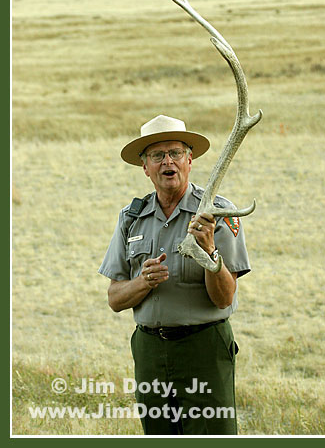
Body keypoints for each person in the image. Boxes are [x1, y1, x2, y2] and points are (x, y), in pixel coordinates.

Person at [98, 114, 251, 435]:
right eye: (157, 155)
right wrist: (143, 281)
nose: (168, 161)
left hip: (204, 349)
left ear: (189, 160)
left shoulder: (216, 213)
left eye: (176, 153)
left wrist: (209, 251)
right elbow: (114, 299)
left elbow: (224, 298)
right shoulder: (132, 217)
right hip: (150, 352)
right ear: (145, 167)